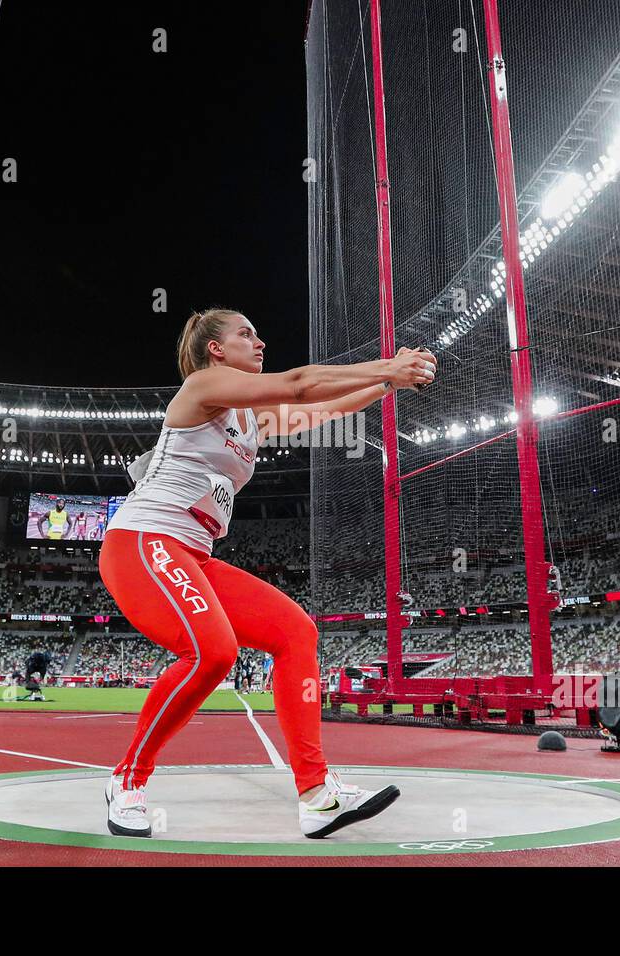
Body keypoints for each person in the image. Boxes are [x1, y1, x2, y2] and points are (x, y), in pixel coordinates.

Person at [98, 307, 434, 839]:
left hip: (195, 556)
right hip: (143, 542)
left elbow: (322, 409)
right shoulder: (203, 386)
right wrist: (387, 366)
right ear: (215, 349)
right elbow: (301, 384)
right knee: (213, 653)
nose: (260, 341)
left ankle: (316, 793)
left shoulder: (250, 418)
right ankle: (127, 781)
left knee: (295, 631)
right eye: (246, 334)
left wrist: (387, 386)